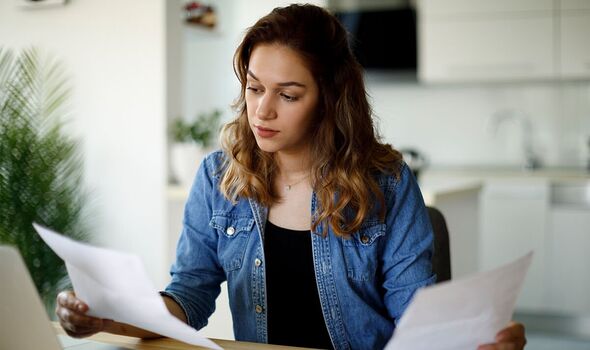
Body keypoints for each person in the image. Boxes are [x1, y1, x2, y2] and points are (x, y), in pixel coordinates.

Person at [56, 4, 526, 350]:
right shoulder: (219, 179)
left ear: (330, 98)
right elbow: (189, 298)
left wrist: (480, 340)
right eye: (254, 87)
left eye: (289, 94)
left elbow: (418, 321)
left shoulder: (386, 183)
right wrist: (112, 318)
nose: (262, 110)